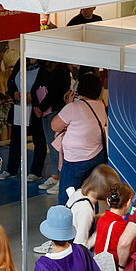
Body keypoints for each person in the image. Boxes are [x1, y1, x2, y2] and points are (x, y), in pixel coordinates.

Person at [51, 72, 108, 204]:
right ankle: (89, 222)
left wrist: (68, 104)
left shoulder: (73, 107)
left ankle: (68, 224)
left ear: (80, 88)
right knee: (90, 196)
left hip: (74, 159)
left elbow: (54, 126)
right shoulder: (99, 105)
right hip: (96, 156)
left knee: (68, 199)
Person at [0, 59, 46, 183]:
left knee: (38, 140)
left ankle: (36, 171)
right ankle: (11, 169)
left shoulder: (43, 64)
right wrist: (14, 93)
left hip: (36, 108)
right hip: (19, 107)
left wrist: (32, 96)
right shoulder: (22, 61)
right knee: (16, 139)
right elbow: (12, 80)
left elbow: (45, 85)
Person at [37, 62, 72, 194]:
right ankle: (54, 176)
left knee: (58, 146)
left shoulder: (61, 72)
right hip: (45, 111)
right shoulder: (44, 70)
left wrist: (41, 107)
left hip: (55, 110)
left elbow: (54, 93)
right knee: (51, 146)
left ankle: (61, 179)